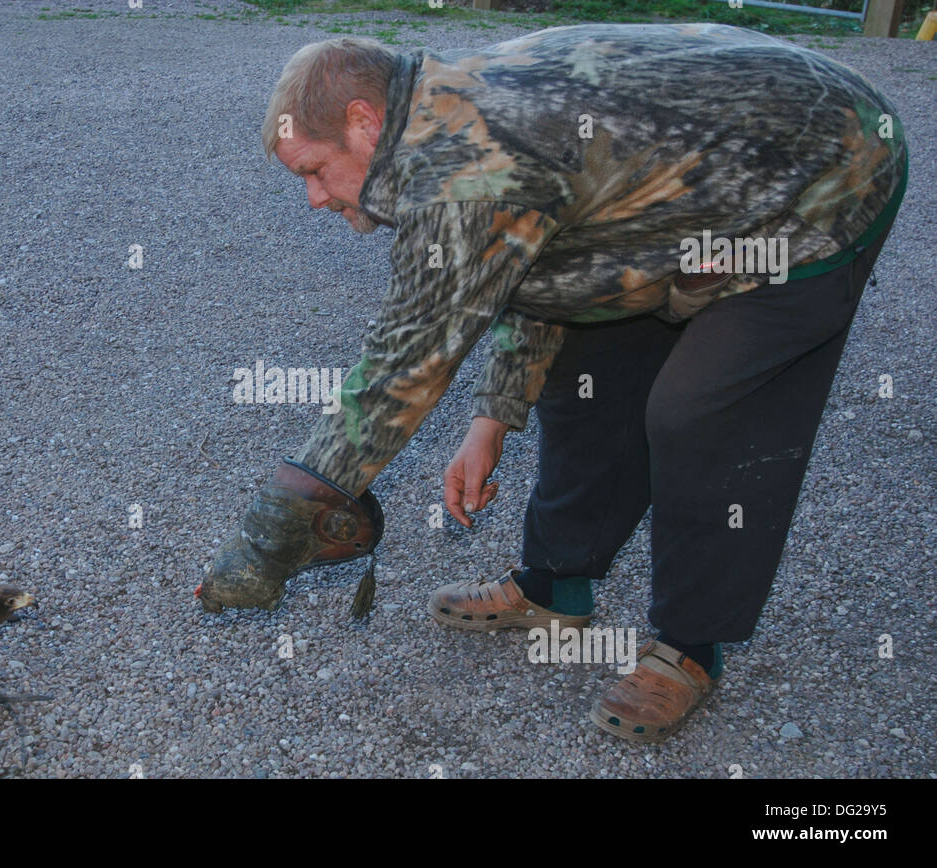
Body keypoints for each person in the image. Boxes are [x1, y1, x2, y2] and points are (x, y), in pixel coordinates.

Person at [197, 24, 907, 743]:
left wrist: (265, 542)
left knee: (699, 412)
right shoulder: (440, 115)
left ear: (363, 120)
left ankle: (692, 646)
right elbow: (538, 273)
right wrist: (493, 420)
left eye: (313, 171)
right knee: (588, 370)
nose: (314, 199)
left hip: (824, 180)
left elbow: (400, 366)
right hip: (687, 203)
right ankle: (556, 585)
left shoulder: (461, 166)